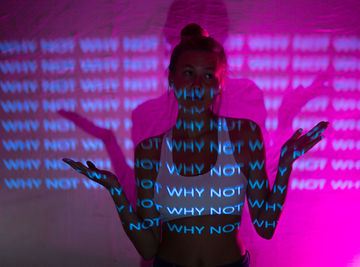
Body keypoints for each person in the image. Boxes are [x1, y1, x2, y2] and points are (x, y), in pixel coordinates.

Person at [63, 24, 328, 267]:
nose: (197, 85)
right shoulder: (150, 152)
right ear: (172, 78)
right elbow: (147, 248)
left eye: (208, 76)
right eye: (188, 73)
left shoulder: (244, 135)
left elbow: (265, 226)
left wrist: (284, 165)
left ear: (220, 85)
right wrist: (116, 191)